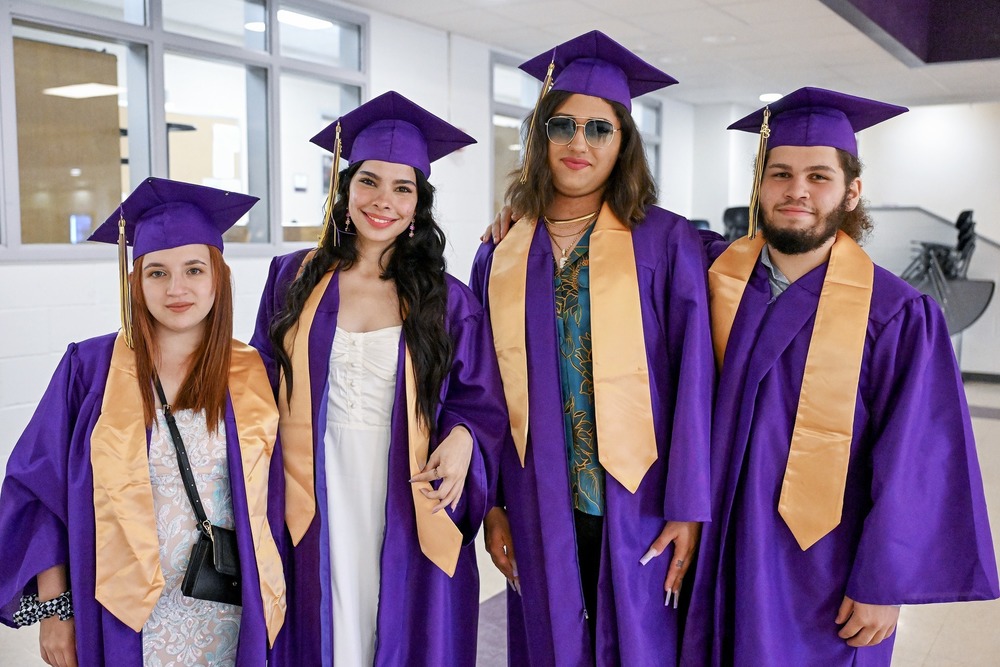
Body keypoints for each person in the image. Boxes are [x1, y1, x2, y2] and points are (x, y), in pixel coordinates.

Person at [681, 87, 1000, 666]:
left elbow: (918, 457)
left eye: (819, 176)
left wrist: (886, 581)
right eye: (780, 173)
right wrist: (526, 212)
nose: (796, 190)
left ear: (852, 191)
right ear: (760, 185)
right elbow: (621, 234)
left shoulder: (897, 314)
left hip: (821, 566)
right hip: (714, 545)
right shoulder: (711, 278)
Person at [469, 30, 715, 665]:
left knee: (640, 641)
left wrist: (689, 507)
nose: (579, 143)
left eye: (600, 129)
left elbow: (694, 380)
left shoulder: (665, 243)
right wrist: (492, 503)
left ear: (623, 142)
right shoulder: (501, 252)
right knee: (550, 641)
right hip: (535, 489)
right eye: (563, 125)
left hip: (642, 493)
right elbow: (482, 391)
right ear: (540, 137)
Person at [251, 91, 508, 667]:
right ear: (345, 192)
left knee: (396, 621)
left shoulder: (446, 299)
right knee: (324, 616)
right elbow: (259, 377)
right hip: (312, 483)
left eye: (402, 188)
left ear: (419, 205)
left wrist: (465, 438)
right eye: (369, 182)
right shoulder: (292, 277)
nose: (383, 201)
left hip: (404, 483)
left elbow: (481, 400)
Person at [0, 178, 287, 667]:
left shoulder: (254, 372)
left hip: (226, 608)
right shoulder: (89, 370)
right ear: (135, 281)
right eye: (157, 273)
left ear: (218, 276)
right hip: (122, 612)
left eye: (194, 269)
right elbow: (40, 490)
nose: (176, 289)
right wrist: (56, 610)